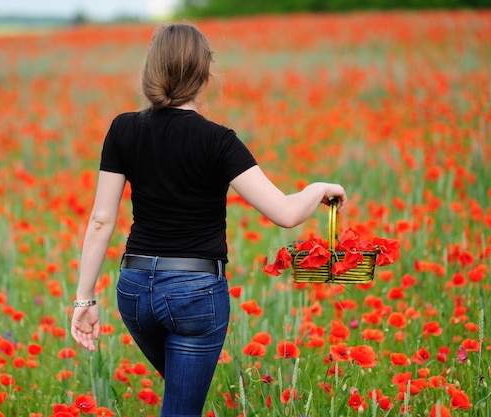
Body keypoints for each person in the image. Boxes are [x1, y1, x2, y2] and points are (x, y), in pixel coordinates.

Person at [70, 22, 347, 417]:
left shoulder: (123, 129)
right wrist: (319, 188)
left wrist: (84, 297)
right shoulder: (218, 140)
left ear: (151, 70)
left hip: (133, 292)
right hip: (194, 295)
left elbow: (100, 220)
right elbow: (285, 214)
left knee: (182, 400)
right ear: (203, 75)